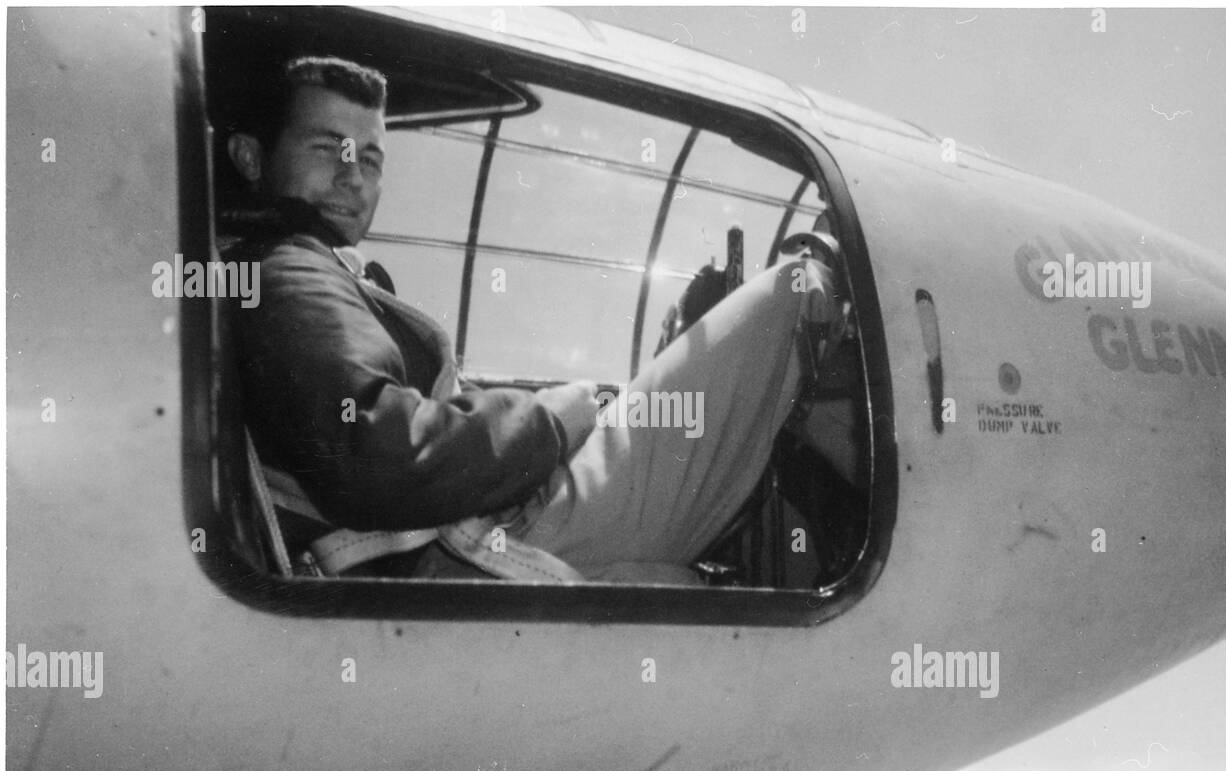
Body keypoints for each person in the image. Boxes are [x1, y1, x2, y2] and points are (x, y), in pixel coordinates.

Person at [226, 56, 846, 584]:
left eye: (371, 158)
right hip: (492, 537)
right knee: (796, 290)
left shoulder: (291, 272)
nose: (353, 176)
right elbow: (378, 448)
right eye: (325, 147)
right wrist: (555, 415)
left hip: (480, 531)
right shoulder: (288, 266)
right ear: (251, 157)